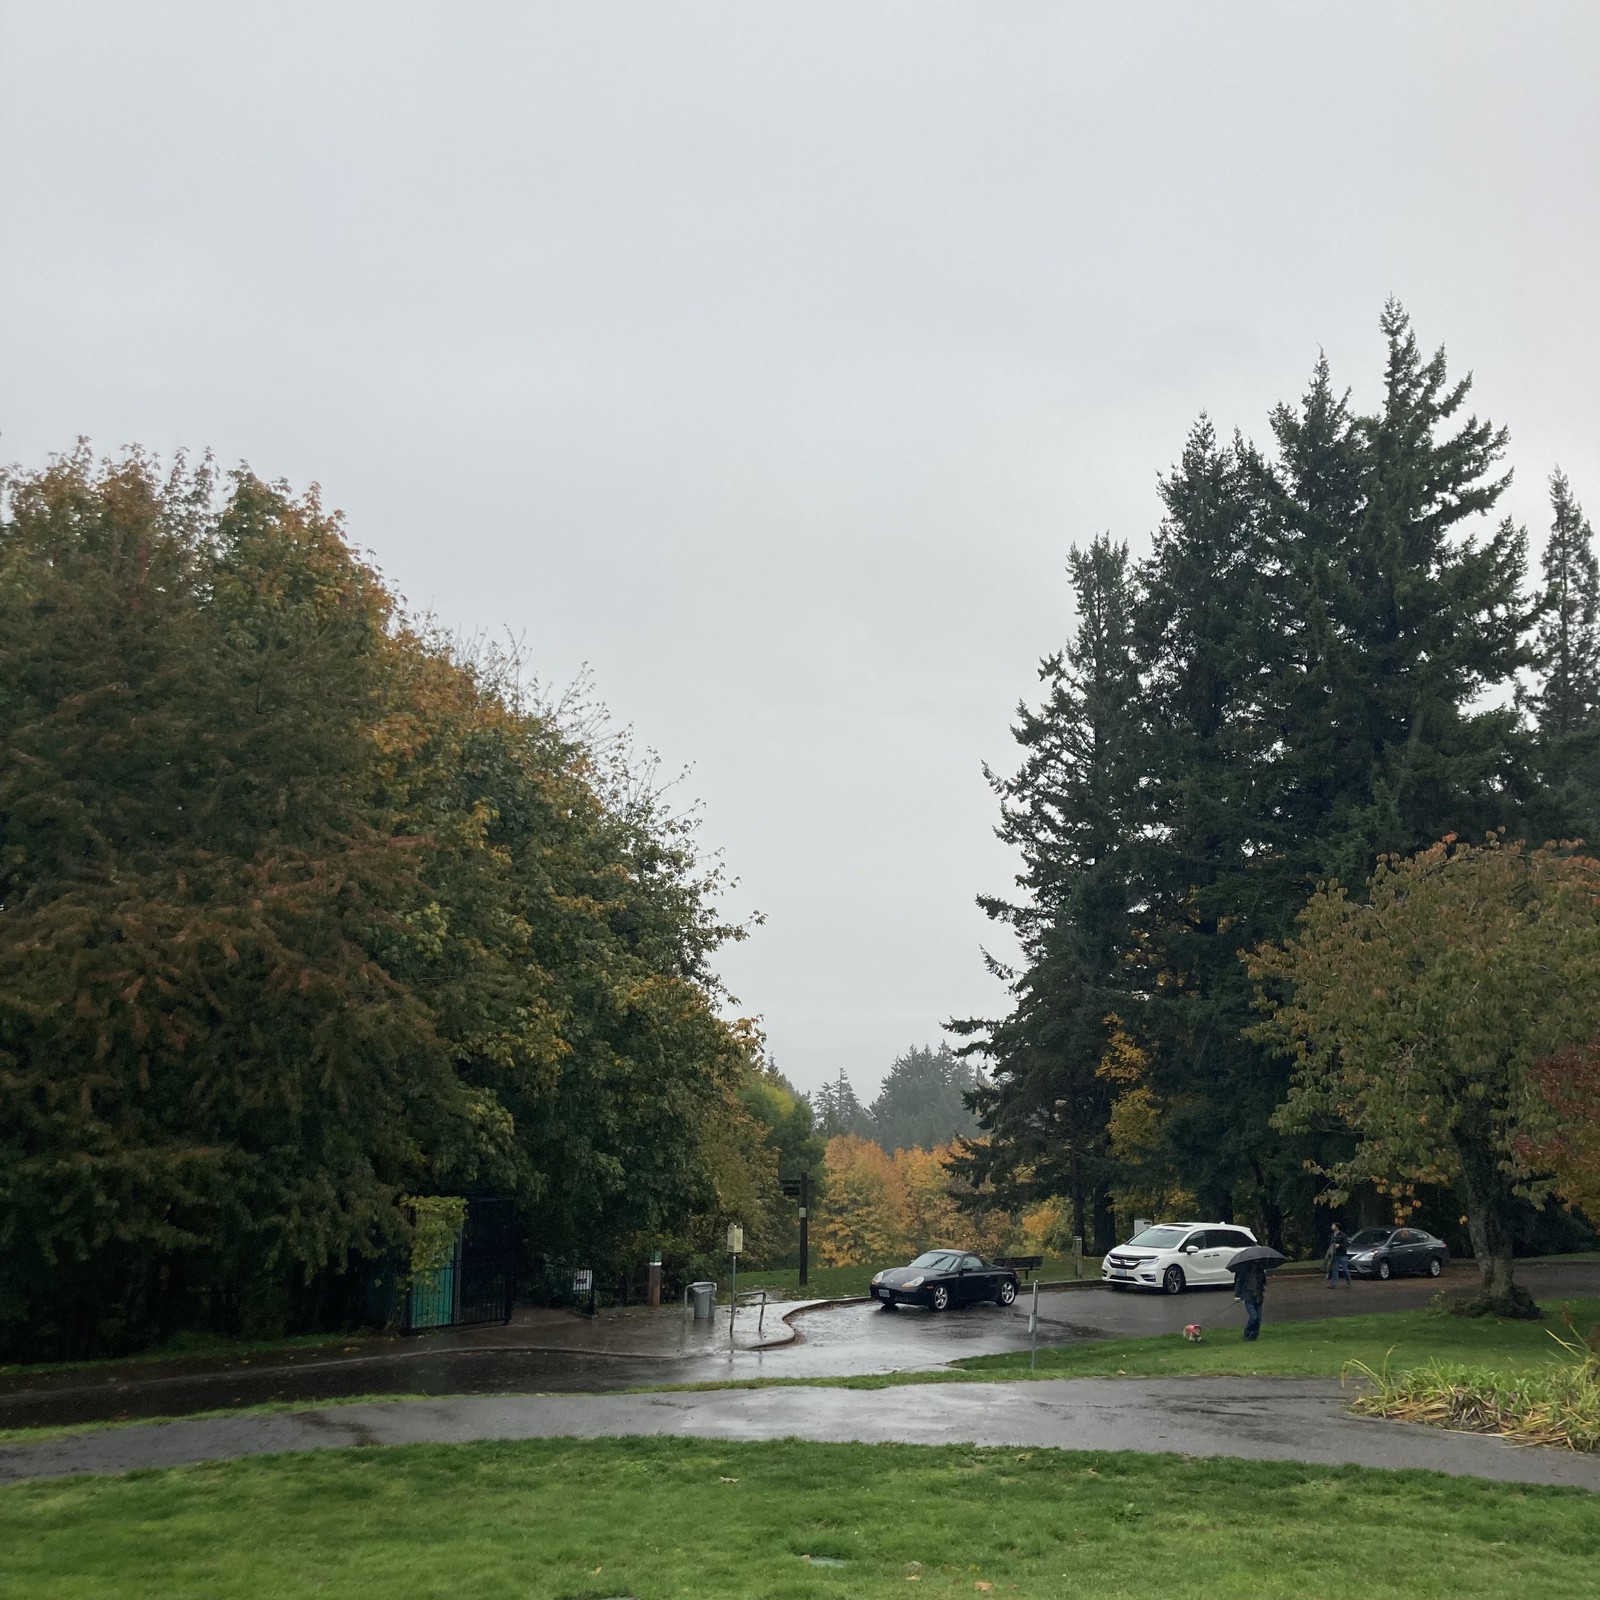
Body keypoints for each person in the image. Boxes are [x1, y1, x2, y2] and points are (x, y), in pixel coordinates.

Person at [1234, 1259, 1267, 1341]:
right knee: (1254, 1317)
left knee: (1258, 1318)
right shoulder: (1244, 1269)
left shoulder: (1260, 1269)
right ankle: (1247, 1333)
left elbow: (1263, 1281)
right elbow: (1239, 1281)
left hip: (1258, 1296)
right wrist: (1237, 1295)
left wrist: (1263, 1286)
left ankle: (1254, 1335)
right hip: (1248, 1296)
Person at [1325, 1224, 1352, 1289]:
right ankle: (1333, 1284)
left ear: (1337, 1227)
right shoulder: (1332, 1235)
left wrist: (1339, 1245)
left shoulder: (1342, 1235)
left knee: (1345, 1270)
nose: (1332, 1227)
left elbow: (1346, 1244)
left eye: (1333, 1226)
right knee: (1335, 1270)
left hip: (1342, 1255)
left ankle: (1348, 1281)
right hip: (1335, 1255)